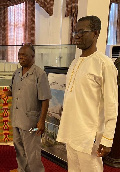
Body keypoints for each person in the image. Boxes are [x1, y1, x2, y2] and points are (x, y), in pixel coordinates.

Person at [57, 16, 118, 172]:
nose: (77, 36)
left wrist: (107, 139)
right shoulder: (74, 63)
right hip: (71, 131)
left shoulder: (105, 64)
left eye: (83, 32)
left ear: (96, 34)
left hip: (89, 135)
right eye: (76, 32)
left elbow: (112, 105)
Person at [0, 43, 52, 172]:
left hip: (31, 122)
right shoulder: (17, 73)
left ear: (33, 56)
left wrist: (41, 121)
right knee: (19, 148)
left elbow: (45, 99)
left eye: (24, 55)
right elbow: (13, 90)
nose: (20, 57)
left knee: (32, 151)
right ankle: (22, 170)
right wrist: (6, 93)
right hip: (17, 119)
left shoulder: (40, 75)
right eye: (19, 55)